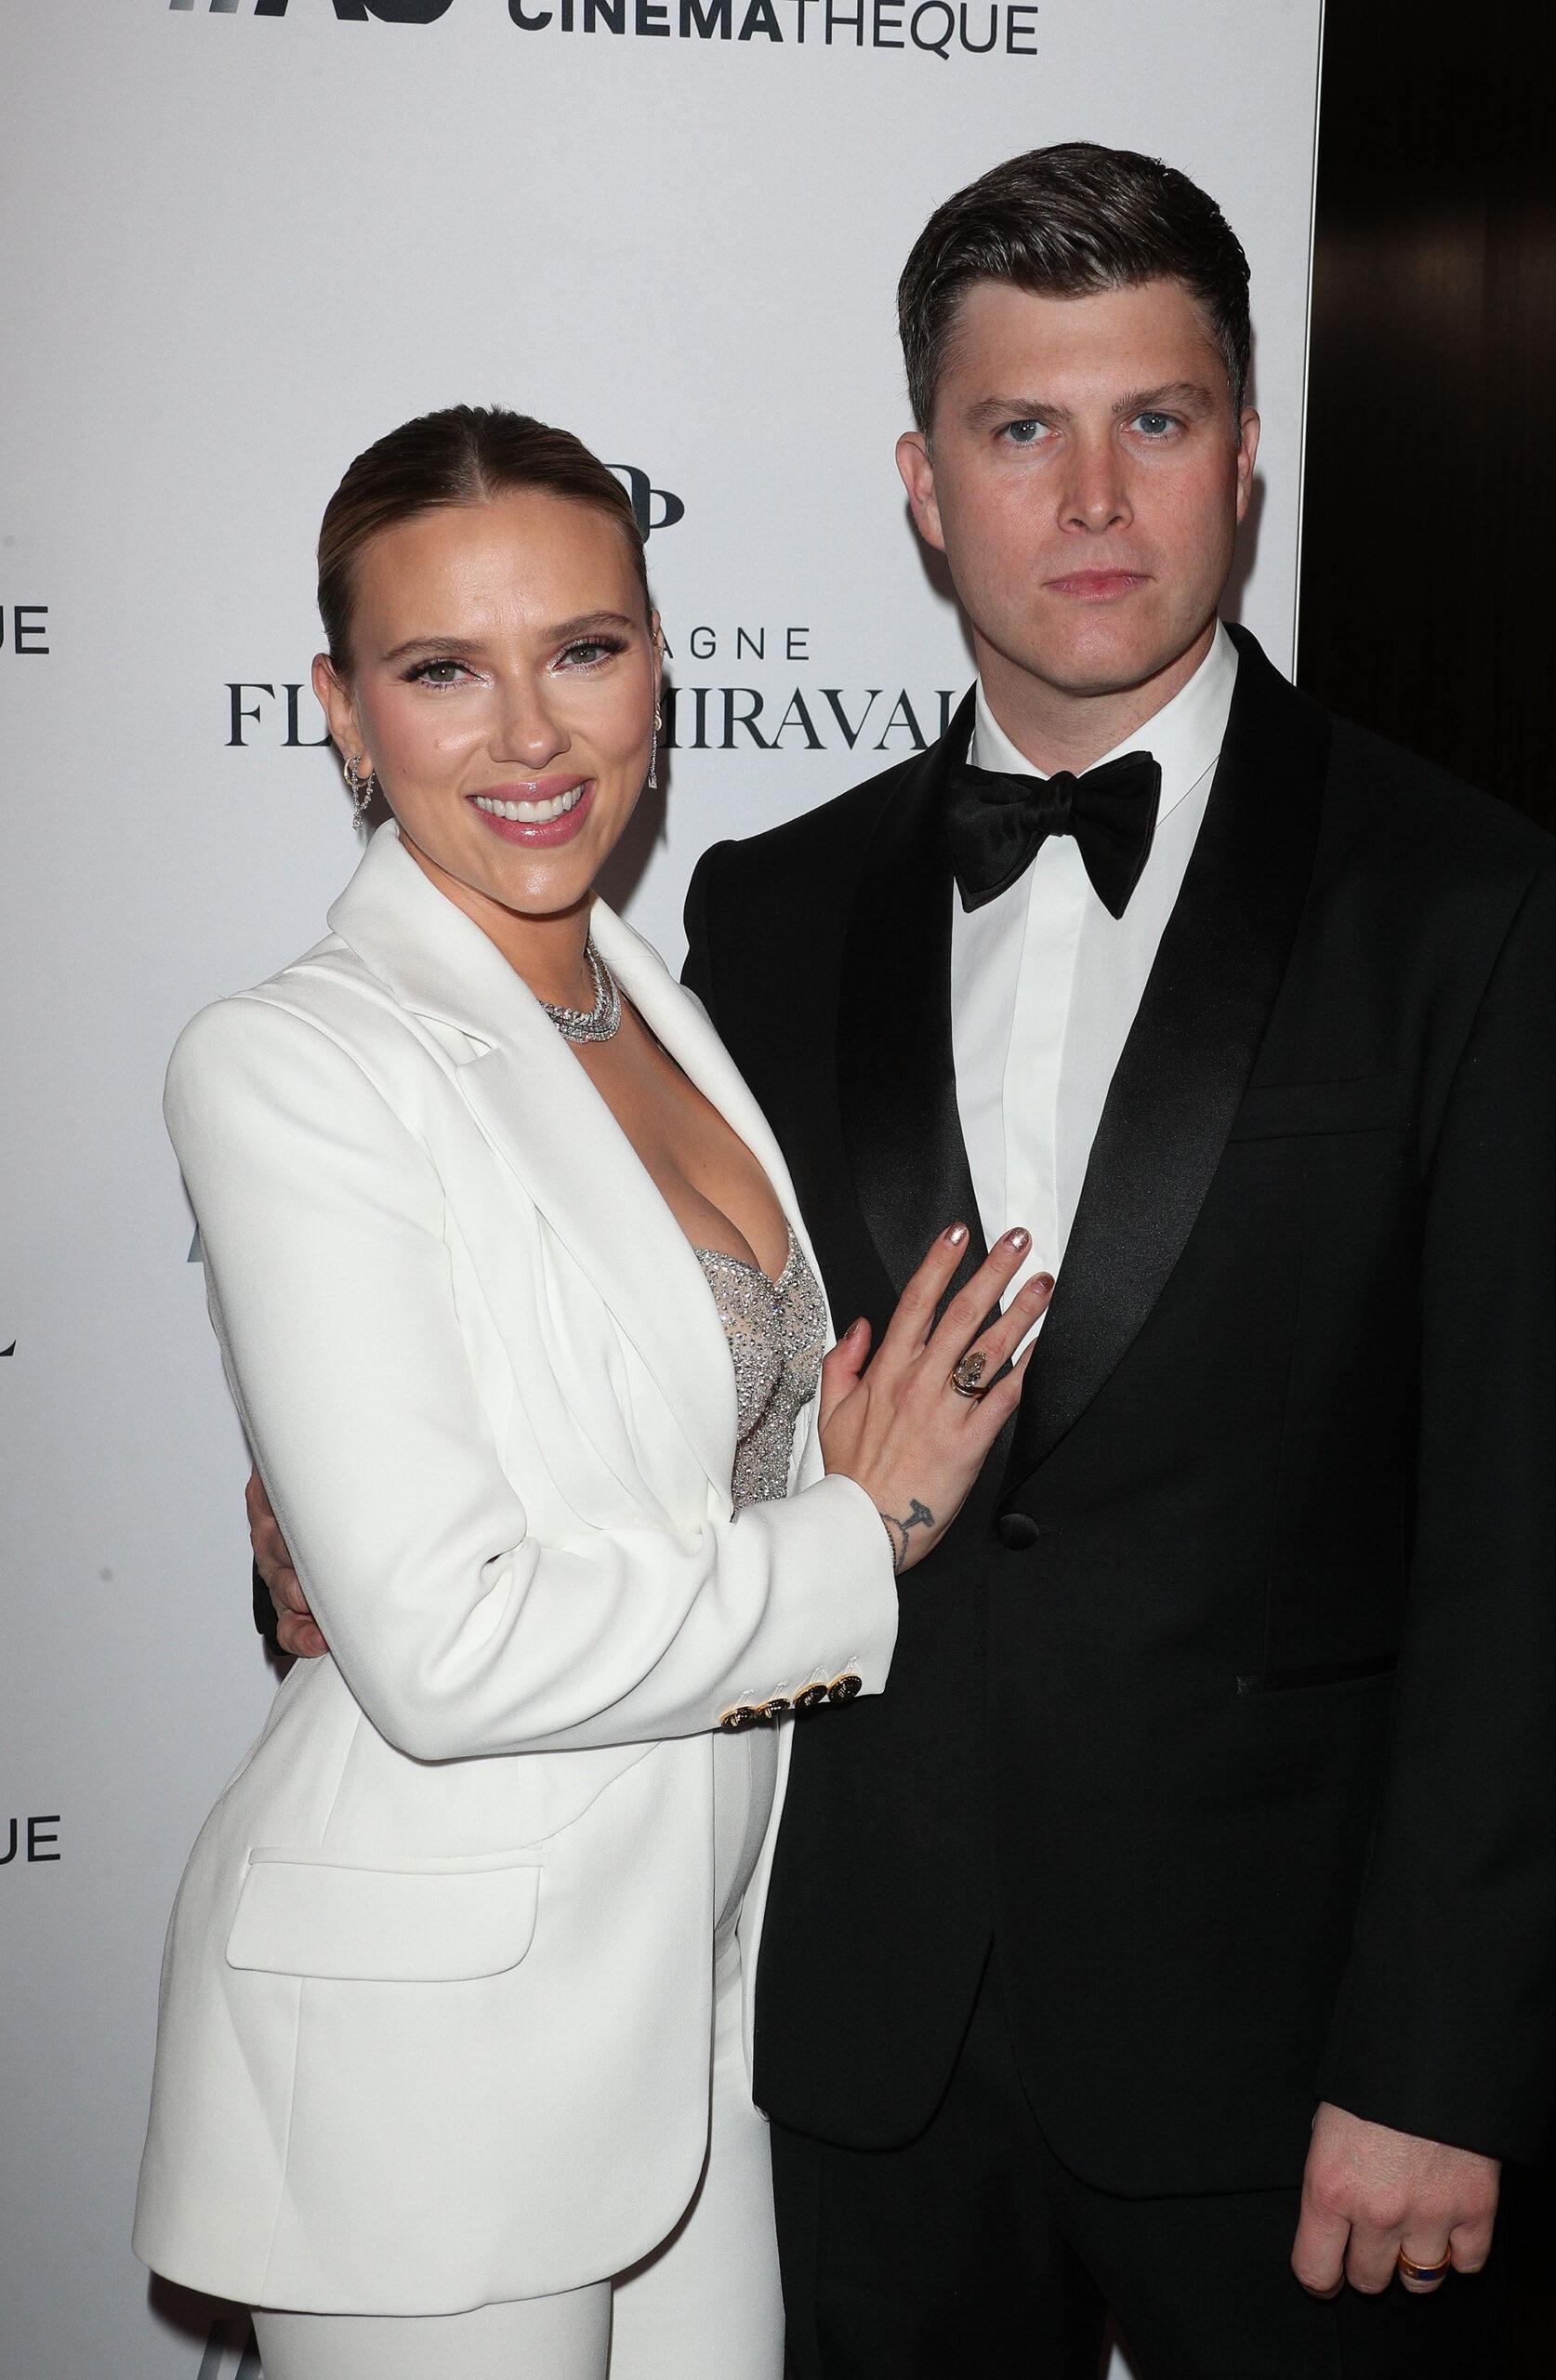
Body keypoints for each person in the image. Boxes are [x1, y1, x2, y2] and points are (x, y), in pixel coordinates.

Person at [258, 147, 1556, 2376]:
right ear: (925, 482)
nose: (1094, 498)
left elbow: (1542, 1552)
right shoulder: (761, 912)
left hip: (1294, 2057)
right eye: (1024, 431)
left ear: (1250, 451)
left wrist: (1443, 2058)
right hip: (842, 2031)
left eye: (1159, 420)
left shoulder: (1477, 913)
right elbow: (625, 1338)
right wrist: (327, 1494)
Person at [135, 403, 1046, 2380]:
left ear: (657, 660)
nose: (531, 735)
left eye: (585, 648)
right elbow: (447, 1647)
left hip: (698, 2006)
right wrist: (860, 1529)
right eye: (443, 670)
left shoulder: (663, 1000)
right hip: (432, 2048)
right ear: (343, 712)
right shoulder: (297, 1059)